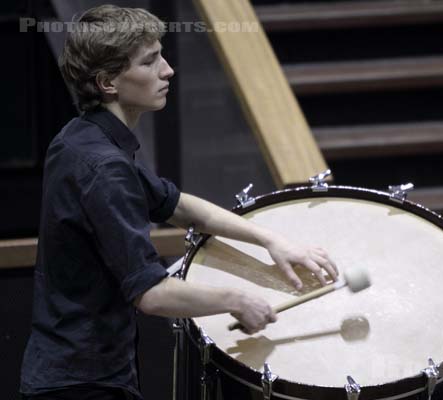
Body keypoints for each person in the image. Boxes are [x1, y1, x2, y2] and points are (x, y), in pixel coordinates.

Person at [20, 5, 337, 400]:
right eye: (150, 62)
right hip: (84, 384)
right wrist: (237, 299)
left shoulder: (82, 138)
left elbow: (179, 206)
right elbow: (151, 294)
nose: (167, 70)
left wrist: (271, 240)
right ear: (107, 82)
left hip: (71, 370)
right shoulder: (103, 167)